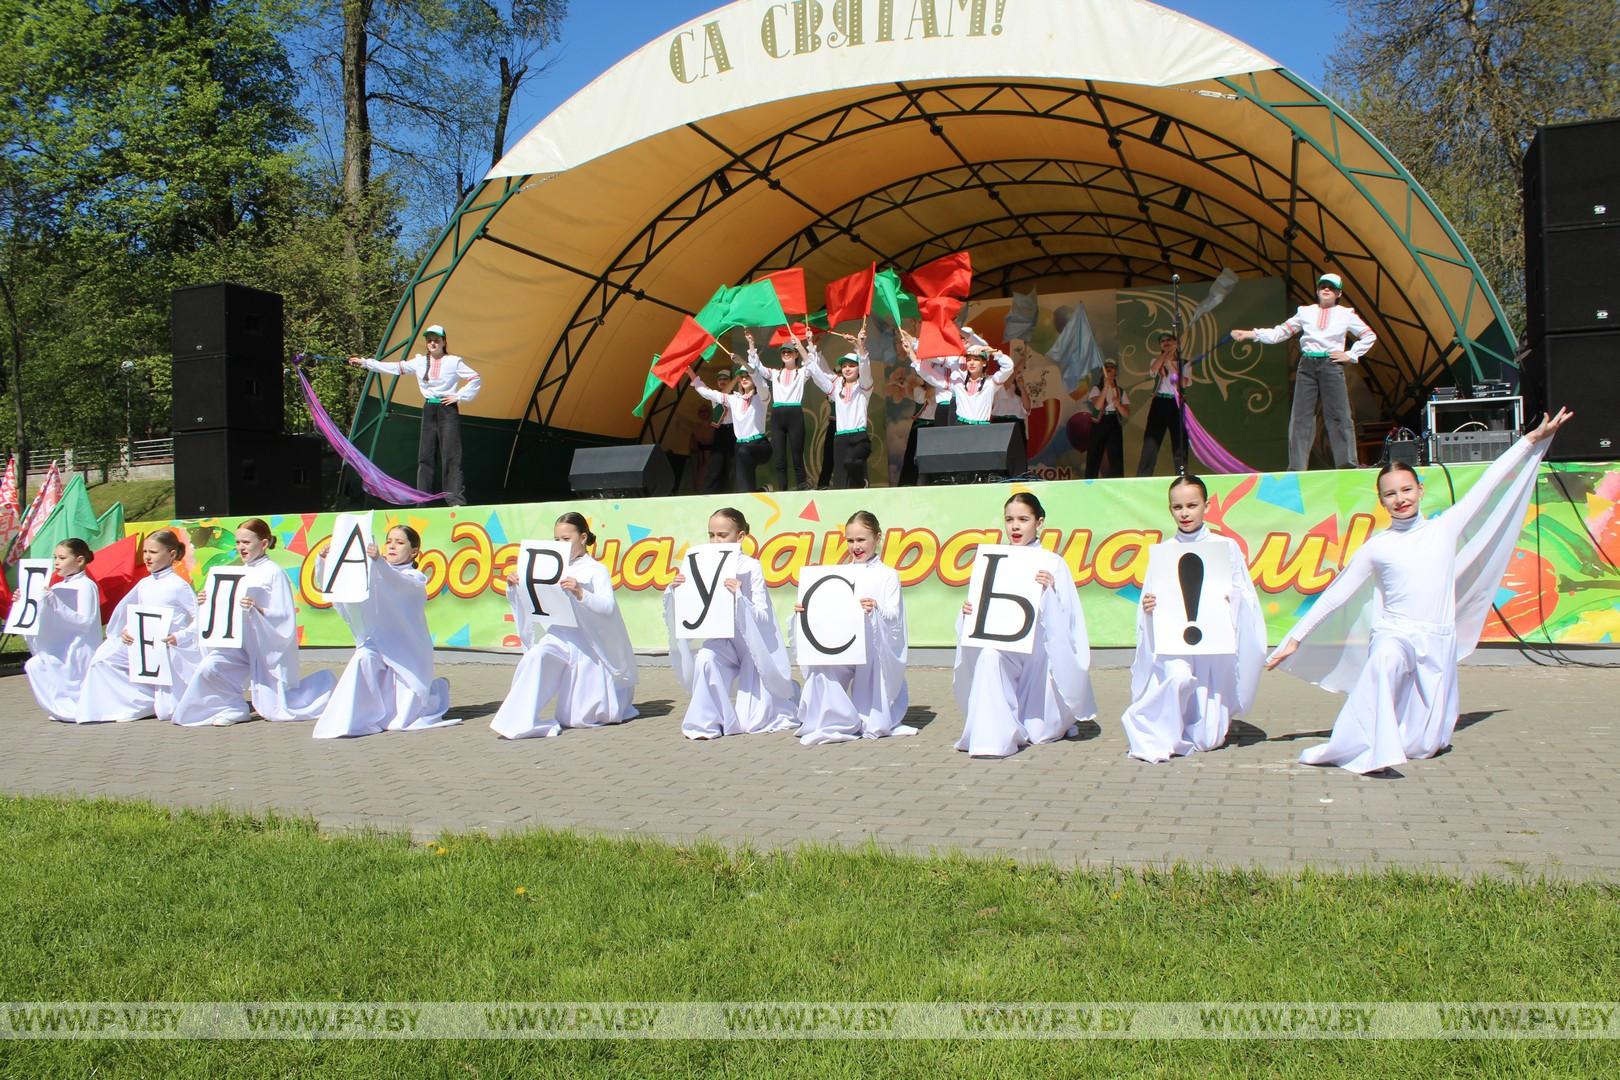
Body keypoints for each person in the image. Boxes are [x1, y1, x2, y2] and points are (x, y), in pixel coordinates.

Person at [1266, 409, 1572, 774]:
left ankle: (1403, 740)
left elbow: (1489, 483)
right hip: (1395, 634)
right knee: (1383, 664)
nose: (1400, 499)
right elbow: (1337, 594)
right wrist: (1294, 638)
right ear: (1382, 502)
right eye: (1390, 494)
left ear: (1420, 490)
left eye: (1406, 490)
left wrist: (1529, 441)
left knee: (1426, 744)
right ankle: (1369, 747)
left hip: (1436, 639)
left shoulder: (1444, 529)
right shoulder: (1377, 547)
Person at [1120, 476, 1265, 762]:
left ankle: (1190, 724)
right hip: (1175, 639)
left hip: (1214, 641)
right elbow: (1151, 595)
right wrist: (1149, 605)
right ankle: (1149, 725)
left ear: (1206, 506)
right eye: (1177, 507)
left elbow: (1245, 594)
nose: (1184, 513)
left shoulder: (1225, 547)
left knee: (1207, 739)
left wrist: (1231, 599)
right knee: (1178, 677)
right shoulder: (1164, 551)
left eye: (1191, 505)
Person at [953, 492, 1097, 757]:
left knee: (1039, 729)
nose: (1015, 526)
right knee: (988, 656)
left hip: (1039, 652)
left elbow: (1069, 616)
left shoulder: (1053, 562)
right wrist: (968, 613)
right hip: (1004, 646)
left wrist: (1051, 592)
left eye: (1023, 519)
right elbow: (983, 608)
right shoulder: (993, 560)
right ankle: (992, 737)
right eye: (1009, 520)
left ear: (1039, 523)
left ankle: (1038, 719)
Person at [171, 518, 336, 727]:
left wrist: (258, 610)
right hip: (236, 643)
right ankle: (233, 706)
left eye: (247, 542)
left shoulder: (273, 572)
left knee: (273, 708)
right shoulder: (237, 572)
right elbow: (223, 606)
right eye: (238, 542)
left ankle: (322, 687)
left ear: (264, 543)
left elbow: (284, 615)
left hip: (263, 646)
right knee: (210, 666)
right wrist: (206, 601)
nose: (241, 547)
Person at [491, 512, 638, 739]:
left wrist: (581, 593)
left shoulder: (596, 570)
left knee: (577, 718)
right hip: (557, 635)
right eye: (557, 539)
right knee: (536, 657)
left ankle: (609, 701)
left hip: (586, 641)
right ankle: (517, 722)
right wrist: (515, 585)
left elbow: (607, 607)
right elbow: (535, 600)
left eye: (566, 539)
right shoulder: (548, 566)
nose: (561, 544)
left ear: (582, 537)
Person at [313, 524, 458, 738]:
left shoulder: (415, 577)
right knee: (363, 657)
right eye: (389, 541)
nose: (392, 546)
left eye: (399, 543)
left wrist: (379, 563)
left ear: (414, 551)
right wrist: (327, 561)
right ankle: (354, 718)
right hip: (377, 640)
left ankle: (430, 693)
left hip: (407, 646)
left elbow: (398, 583)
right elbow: (341, 583)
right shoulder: (373, 571)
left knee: (404, 714)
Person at [664, 507, 798, 739]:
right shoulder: (699, 564)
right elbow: (694, 610)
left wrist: (739, 596)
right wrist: (675, 590)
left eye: (722, 535)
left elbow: (763, 616)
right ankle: (707, 722)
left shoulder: (750, 567)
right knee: (705, 658)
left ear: (740, 537)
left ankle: (789, 693)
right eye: (711, 535)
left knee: (752, 721)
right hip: (723, 640)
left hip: (752, 647)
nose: (716, 541)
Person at [1231, 273, 1375, 471]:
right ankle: (1297, 467)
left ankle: (1347, 463)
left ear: (1339, 293)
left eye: (1331, 287)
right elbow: (1281, 332)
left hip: (1331, 363)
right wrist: (1251, 334)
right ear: (1317, 290)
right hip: (1307, 364)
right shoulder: (1305, 312)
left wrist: (1350, 355)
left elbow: (1368, 335)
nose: (1326, 289)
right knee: (1301, 417)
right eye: (1322, 286)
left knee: (1339, 414)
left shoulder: (1345, 314)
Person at [793, 511, 915, 745]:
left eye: (861, 540)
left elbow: (894, 618)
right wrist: (806, 609)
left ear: (877, 537)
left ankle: (869, 715)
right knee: (823, 664)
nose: (856, 546)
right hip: (841, 644)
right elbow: (827, 610)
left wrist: (875, 608)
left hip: (871, 647)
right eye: (850, 540)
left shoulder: (888, 575)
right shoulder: (837, 574)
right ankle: (836, 719)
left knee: (870, 663)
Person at [75, 530, 201, 724]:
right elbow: (136, 613)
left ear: (172, 554)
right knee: (102, 659)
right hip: (144, 644)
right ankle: (134, 703)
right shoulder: (144, 584)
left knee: (168, 711)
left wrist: (179, 636)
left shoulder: (178, 585)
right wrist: (128, 630)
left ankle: (151, 701)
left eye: (154, 552)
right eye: (145, 552)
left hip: (169, 647)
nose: (148, 557)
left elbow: (199, 619)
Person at [348, 324, 481, 505]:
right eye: (429, 340)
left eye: (436, 340)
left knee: (451, 455)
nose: (433, 343)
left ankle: (455, 501)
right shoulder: (419, 362)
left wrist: (458, 396)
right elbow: (395, 367)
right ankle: (422, 501)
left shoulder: (453, 361)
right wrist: (365, 363)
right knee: (425, 456)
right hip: (429, 409)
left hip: (447, 409)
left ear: (444, 342)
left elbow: (475, 378)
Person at [24, 539, 103, 722]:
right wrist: (24, 600)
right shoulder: (57, 586)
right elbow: (42, 613)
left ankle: (75, 709)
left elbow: (85, 621)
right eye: (55, 558)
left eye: (62, 557)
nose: (56, 562)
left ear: (80, 560)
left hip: (79, 647)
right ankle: (62, 707)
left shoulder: (86, 586)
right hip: (60, 645)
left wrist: (54, 602)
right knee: (35, 665)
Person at [801, 328, 874, 488]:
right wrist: (805, 345)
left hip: (859, 437)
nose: (847, 369)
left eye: (852, 366)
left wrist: (859, 345)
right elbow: (817, 373)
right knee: (840, 479)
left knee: (851, 462)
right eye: (844, 366)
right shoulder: (836, 388)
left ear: (858, 369)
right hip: (840, 438)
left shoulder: (863, 388)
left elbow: (865, 367)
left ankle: (862, 483)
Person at [746, 331, 810, 490]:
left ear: (796, 355)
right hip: (777, 415)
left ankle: (802, 487)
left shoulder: (801, 373)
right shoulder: (775, 373)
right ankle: (783, 490)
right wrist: (751, 344)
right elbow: (757, 367)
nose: (786, 354)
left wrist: (800, 346)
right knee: (779, 457)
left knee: (797, 456)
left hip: (794, 414)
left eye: (789, 351)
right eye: (783, 352)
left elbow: (811, 364)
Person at [691, 365, 770, 493]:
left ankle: (752, 492)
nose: (744, 379)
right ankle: (757, 492)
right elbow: (709, 393)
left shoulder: (759, 398)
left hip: (755, 442)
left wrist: (748, 367)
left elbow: (762, 386)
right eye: (741, 377)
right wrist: (690, 373)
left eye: (747, 376)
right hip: (733, 440)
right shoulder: (733, 399)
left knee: (740, 458)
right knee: (726, 468)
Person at [908, 334, 1012, 426]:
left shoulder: (990, 383)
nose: (971, 363)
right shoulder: (958, 383)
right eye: (969, 360)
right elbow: (930, 372)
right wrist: (912, 347)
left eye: (976, 360)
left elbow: (1008, 367)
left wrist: (993, 352)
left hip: (982, 429)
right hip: (960, 425)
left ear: (984, 363)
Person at [1136, 333, 1187, 476]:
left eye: (1168, 340)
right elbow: (1153, 370)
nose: (1165, 343)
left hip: (1177, 403)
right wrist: (1166, 356)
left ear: (1175, 343)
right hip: (1160, 402)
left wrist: (1172, 363)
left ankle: (1182, 476)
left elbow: (1184, 383)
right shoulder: (1157, 360)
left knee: (1179, 442)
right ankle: (1143, 477)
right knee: (1151, 441)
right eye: (1162, 341)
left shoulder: (1184, 363)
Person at [1084, 360, 1129, 478]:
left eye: (1111, 367)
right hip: (1100, 422)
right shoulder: (1096, 389)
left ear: (1115, 372)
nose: (1108, 369)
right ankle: (1089, 483)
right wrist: (1105, 388)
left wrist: (1118, 405)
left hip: (1114, 421)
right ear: (1102, 372)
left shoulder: (1120, 391)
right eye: (1106, 367)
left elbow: (1126, 414)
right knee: (1094, 452)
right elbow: (1097, 408)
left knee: (1116, 455)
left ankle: (1118, 484)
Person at [699, 368, 736, 494]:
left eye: (725, 379)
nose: (722, 381)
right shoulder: (715, 394)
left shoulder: (737, 396)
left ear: (731, 380)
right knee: (716, 463)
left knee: (732, 464)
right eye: (720, 379)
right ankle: (709, 493)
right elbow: (701, 387)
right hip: (720, 431)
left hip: (734, 431)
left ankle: (731, 491)